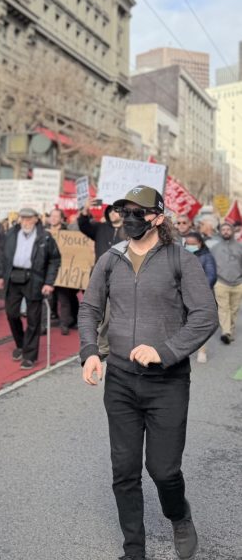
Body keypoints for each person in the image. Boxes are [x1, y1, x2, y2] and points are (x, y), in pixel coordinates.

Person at [78, 185, 218, 560]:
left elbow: (206, 316)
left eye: (138, 212)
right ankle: (134, 550)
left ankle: (179, 516)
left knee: (163, 469)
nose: (129, 219)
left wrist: (164, 351)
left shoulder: (180, 259)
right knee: (124, 471)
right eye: (125, 211)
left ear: (157, 217)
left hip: (167, 384)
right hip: (121, 381)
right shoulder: (111, 259)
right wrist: (90, 352)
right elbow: (90, 307)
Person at [0, 208, 61, 369]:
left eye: (28, 218)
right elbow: (2, 255)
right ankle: (21, 343)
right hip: (13, 277)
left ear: (36, 219)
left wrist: (49, 282)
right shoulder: (11, 233)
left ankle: (30, 355)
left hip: (34, 279)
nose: (25, 221)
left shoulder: (45, 236)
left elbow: (54, 259)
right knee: (11, 314)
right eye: (23, 218)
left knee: (33, 319)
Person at [182, 231, 217, 364]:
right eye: (187, 244)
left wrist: (198, 291)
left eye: (193, 244)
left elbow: (211, 276)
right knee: (184, 324)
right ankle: (183, 350)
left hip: (200, 297)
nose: (190, 246)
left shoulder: (207, 256)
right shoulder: (181, 255)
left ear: (200, 244)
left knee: (199, 324)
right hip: (182, 296)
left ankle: (202, 351)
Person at [46, 208, 79, 335]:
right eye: (51, 216)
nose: (53, 218)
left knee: (64, 298)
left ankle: (64, 323)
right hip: (48, 271)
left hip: (64, 271)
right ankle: (46, 322)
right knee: (48, 299)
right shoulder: (44, 232)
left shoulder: (68, 233)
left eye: (56, 216)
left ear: (61, 218)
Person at [211, 220, 242, 344]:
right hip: (221, 282)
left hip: (238, 283)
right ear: (220, 232)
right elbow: (210, 265)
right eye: (223, 230)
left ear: (233, 231)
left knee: (234, 309)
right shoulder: (214, 248)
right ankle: (226, 332)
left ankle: (230, 331)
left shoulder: (240, 247)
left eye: (228, 229)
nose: (226, 232)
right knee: (223, 308)